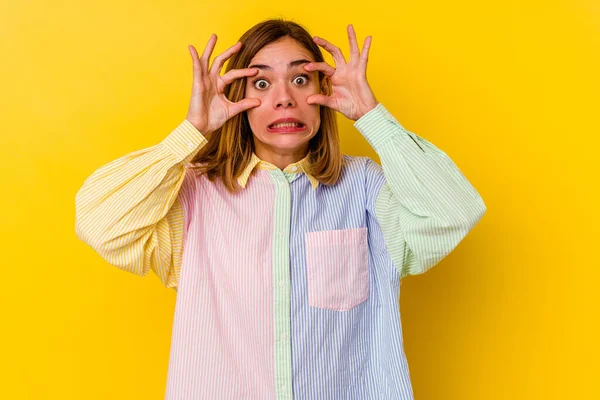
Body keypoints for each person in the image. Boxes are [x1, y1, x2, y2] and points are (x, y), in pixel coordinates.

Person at [75, 18, 486, 400]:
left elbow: (455, 210)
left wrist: (372, 117)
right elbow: (99, 222)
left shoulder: (364, 188)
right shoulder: (195, 194)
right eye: (260, 84)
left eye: (301, 78)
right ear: (236, 98)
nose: (285, 99)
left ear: (322, 95)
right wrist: (192, 134)